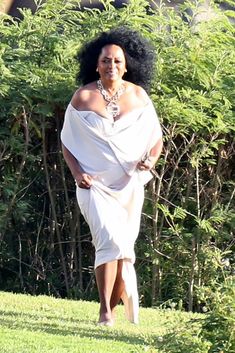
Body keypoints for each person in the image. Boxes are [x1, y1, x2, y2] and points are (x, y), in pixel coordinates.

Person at [61, 26, 163, 326]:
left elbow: (156, 139)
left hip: (129, 186)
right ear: (96, 63)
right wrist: (78, 174)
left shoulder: (139, 96)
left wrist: (149, 160)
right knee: (108, 240)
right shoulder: (82, 97)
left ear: (127, 64)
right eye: (106, 60)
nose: (112, 66)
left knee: (124, 248)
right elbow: (67, 142)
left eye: (117, 61)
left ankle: (115, 309)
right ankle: (105, 309)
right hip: (94, 186)